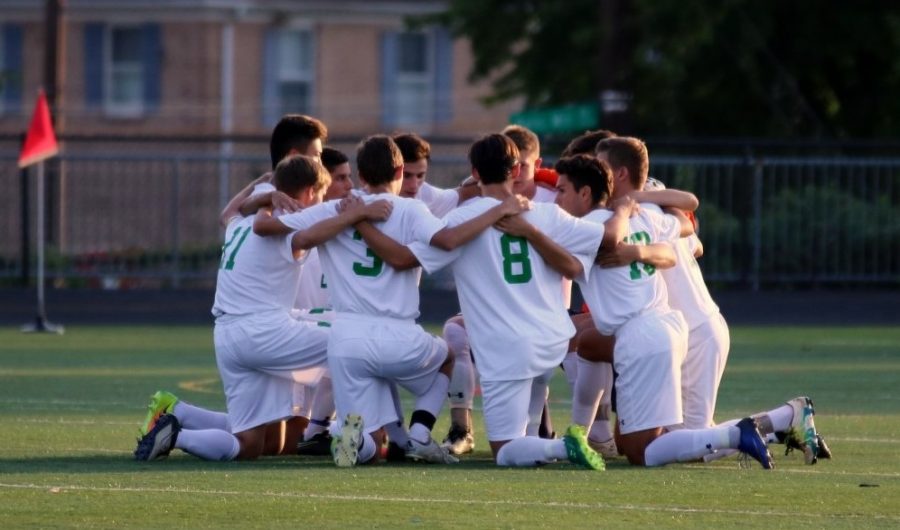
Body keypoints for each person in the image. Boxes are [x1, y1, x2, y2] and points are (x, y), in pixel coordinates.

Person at [255, 135, 529, 467]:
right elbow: (447, 239)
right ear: (400, 170)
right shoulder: (412, 209)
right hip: (399, 336)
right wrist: (502, 208)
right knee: (447, 357)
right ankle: (419, 435)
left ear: (360, 175)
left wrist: (271, 197)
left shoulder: (336, 208)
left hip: (346, 340)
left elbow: (266, 228)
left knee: (371, 446)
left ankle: (355, 440)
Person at [364, 134, 633, 469]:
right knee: (532, 406)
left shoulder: (459, 222)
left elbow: (403, 260)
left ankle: (565, 446)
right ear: (517, 169)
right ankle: (549, 438)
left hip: (505, 347)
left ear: (475, 172)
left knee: (505, 451)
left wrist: (360, 223)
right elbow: (609, 238)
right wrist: (624, 206)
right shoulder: (546, 214)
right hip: (552, 340)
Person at [562, 140, 817, 468]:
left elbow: (686, 233)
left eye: (600, 164)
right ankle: (593, 431)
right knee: (635, 439)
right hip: (673, 326)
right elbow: (687, 235)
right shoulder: (639, 208)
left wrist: (635, 231)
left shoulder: (631, 209)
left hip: (693, 330)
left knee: (684, 446)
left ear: (620, 173)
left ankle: (779, 421)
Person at [134, 155, 389, 462]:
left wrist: (262, 189)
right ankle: (356, 435)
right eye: (318, 195)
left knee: (250, 443)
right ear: (309, 192)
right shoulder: (286, 219)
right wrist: (358, 212)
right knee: (353, 341)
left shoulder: (238, 224)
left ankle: (176, 434)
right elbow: (309, 234)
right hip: (263, 332)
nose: (318, 202)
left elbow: (228, 211)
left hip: (227, 337)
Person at [393, 132, 480, 216]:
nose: (414, 185)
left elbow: (464, 193)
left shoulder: (428, 195)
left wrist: (480, 177)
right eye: (406, 175)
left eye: (420, 176)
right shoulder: (380, 203)